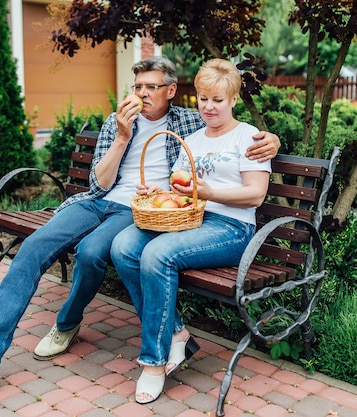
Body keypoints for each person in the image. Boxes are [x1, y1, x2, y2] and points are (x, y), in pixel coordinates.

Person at [0, 56, 280, 395]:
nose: (142, 94)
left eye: (152, 87)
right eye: (138, 86)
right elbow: (100, 183)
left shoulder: (190, 122)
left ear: (171, 91)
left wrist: (272, 140)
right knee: (33, 247)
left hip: (139, 213)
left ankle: (68, 324)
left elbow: (233, 133)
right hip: (98, 203)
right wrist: (123, 135)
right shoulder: (117, 121)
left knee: (93, 251)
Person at [110, 58, 272, 404]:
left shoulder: (249, 137)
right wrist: (158, 194)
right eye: (202, 98)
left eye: (217, 99)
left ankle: (154, 362)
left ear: (232, 99)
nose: (208, 107)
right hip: (191, 220)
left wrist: (210, 193)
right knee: (123, 246)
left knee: (156, 254)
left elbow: (256, 195)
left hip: (232, 228)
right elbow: (180, 189)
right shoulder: (193, 138)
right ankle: (176, 334)